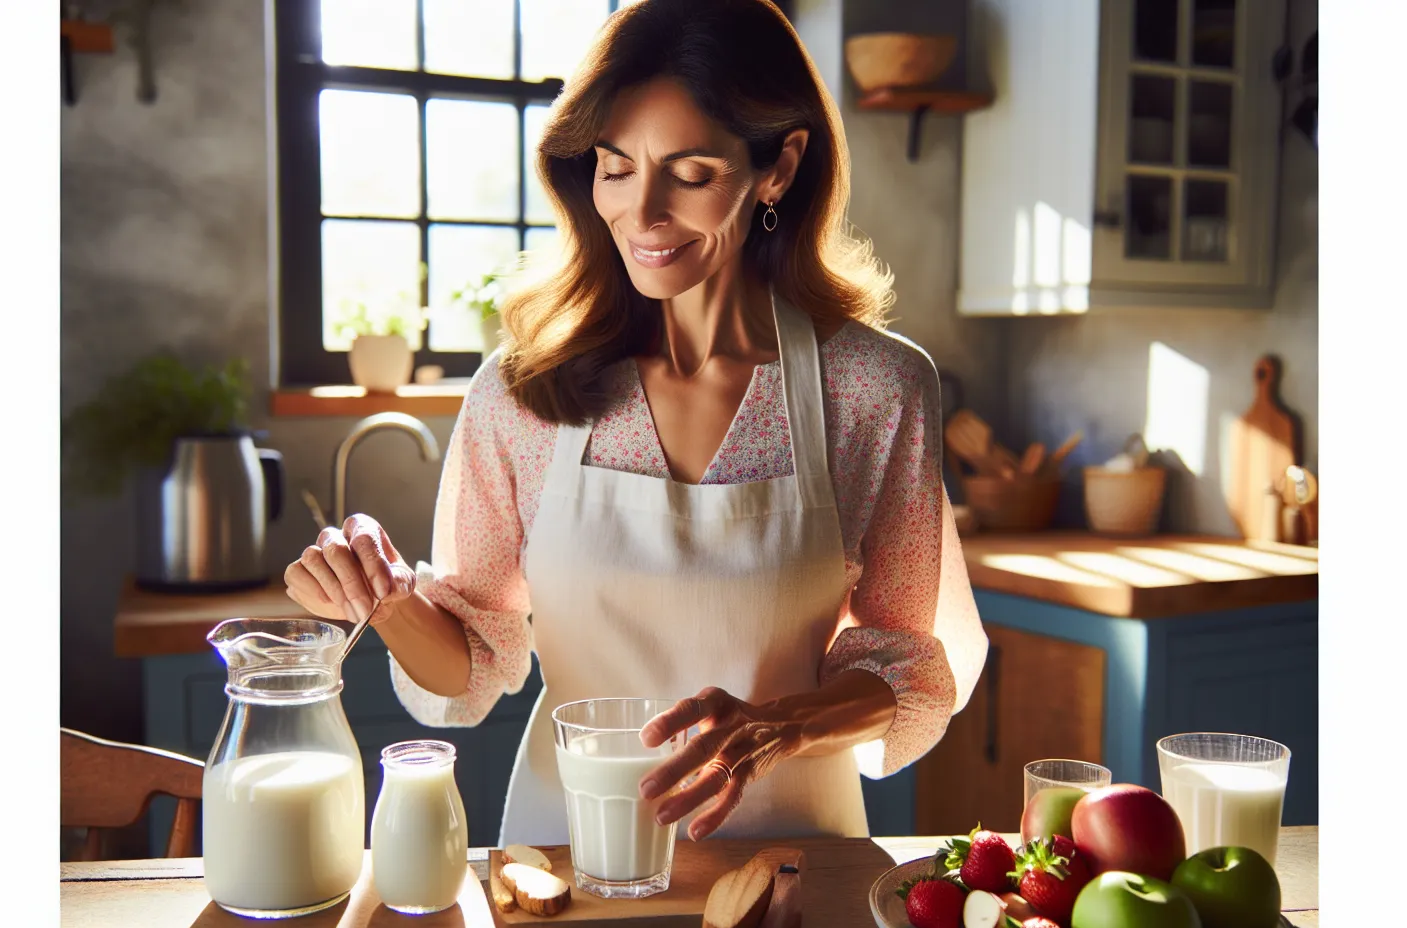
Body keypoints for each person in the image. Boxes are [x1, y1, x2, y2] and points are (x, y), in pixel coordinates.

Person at [283, 0, 987, 847]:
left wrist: (786, 726)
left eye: (690, 173)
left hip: (797, 866)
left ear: (779, 166)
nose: (642, 213)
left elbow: (903, 666)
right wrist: (388, 601)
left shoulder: (877, 388)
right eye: (617, 167)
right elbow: (471, 663)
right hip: (570, 856)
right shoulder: (523, 392)